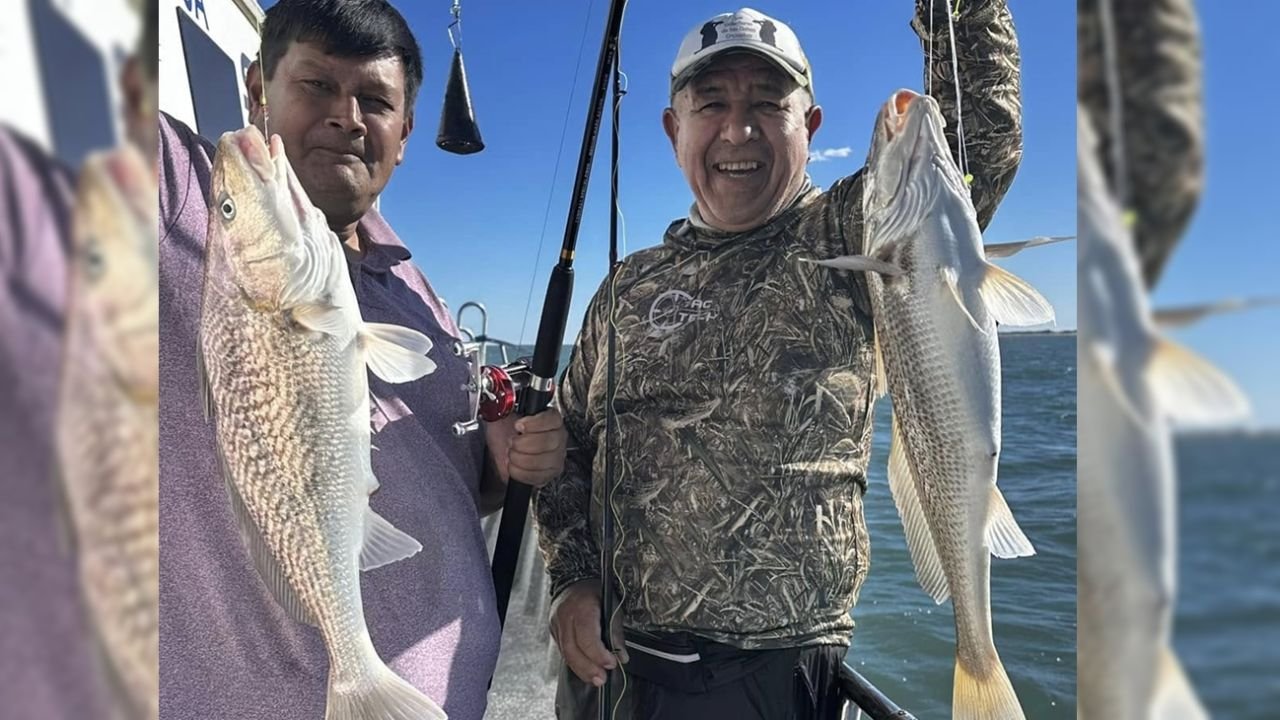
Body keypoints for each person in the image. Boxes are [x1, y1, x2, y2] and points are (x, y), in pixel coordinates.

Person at [535, 4, 1023, 718]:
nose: (739, 129)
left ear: (811, 127)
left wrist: (965, 11)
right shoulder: (625, 289)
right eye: (712, 104)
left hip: (778, 674)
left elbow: (978, 143)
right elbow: (569, 446)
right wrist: (571, 580)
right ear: (674, 130)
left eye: (769, 103)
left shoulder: (858, 234)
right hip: (610, 668)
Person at [157, 1, 566, 718]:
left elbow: (456, 489)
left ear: (404, 134)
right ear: (258, 88)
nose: (346, 117)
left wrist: (500, 465)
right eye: (316, 85)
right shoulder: (182, 201)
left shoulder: (418, 292)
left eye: (374, 100)